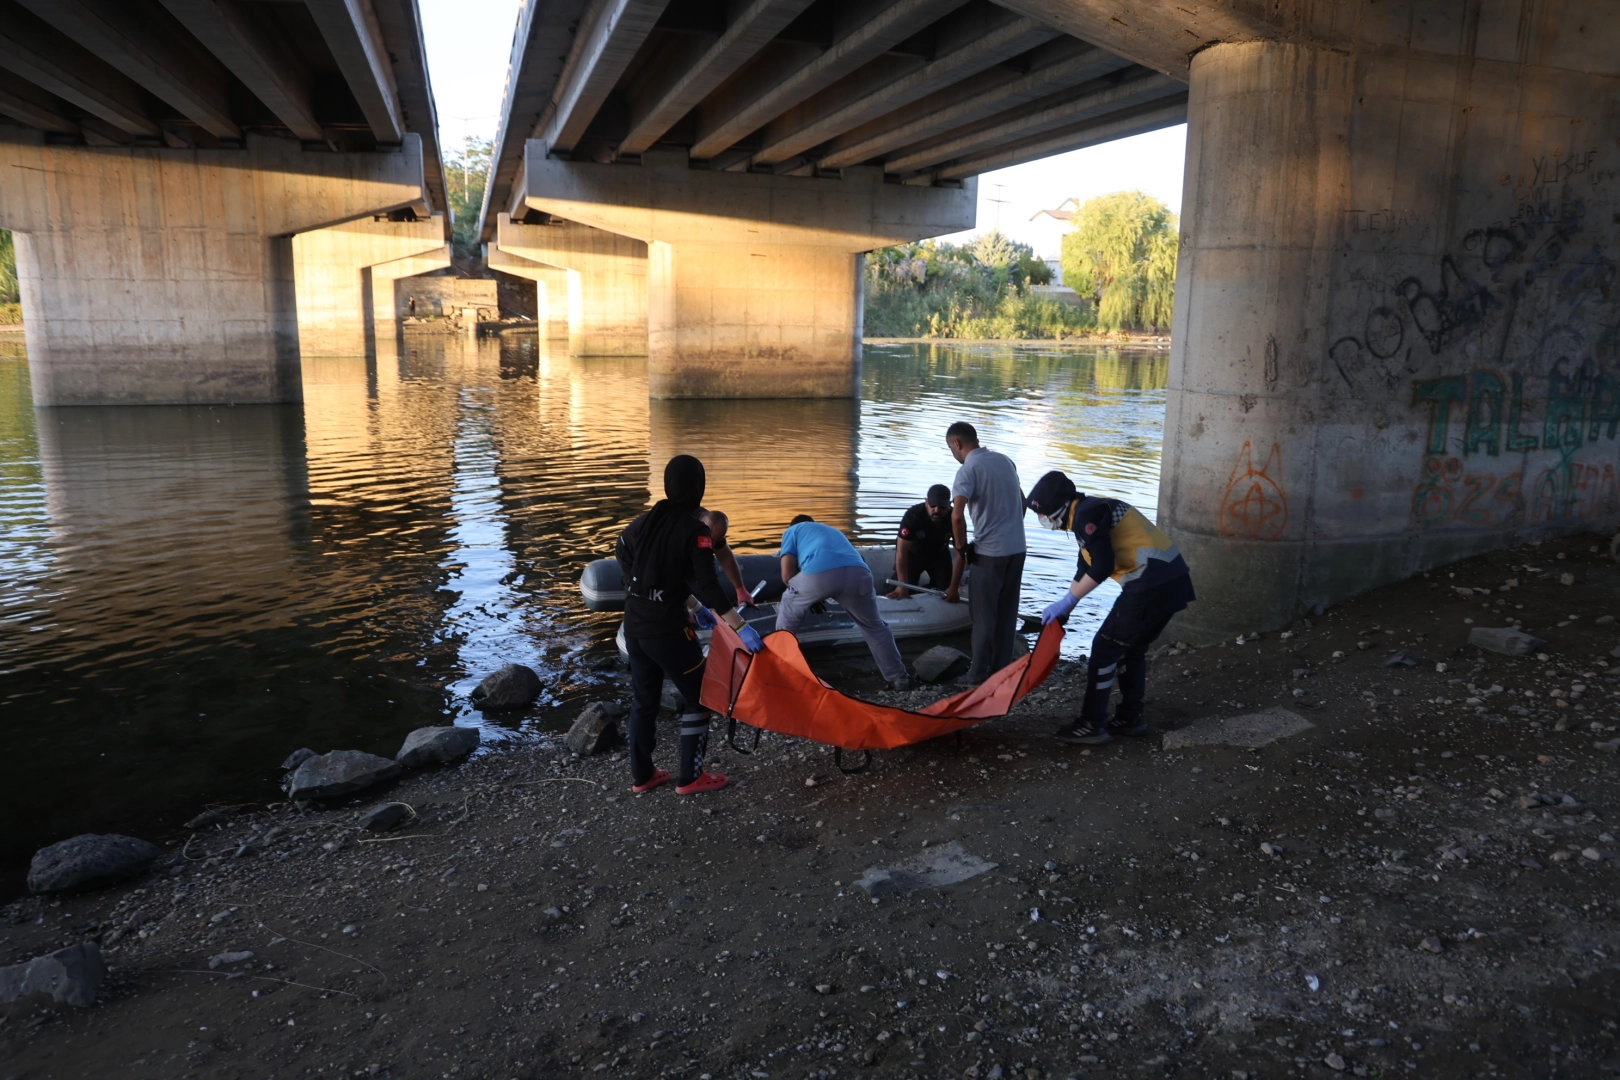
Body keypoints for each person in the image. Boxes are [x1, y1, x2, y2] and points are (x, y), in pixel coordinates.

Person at [616, 455, 764, 795]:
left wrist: (691, 605)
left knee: (644, 702)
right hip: (667, 631)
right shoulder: (696, 531)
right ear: (699, 487)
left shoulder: (647, 521)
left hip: (634, 625)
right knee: (699, 696)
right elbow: (709, 585)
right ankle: (690, 777)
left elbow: (627, 553)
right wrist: (741, 627)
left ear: (668, 485)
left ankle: (642, 776)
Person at [1026, 470, 1195, 745]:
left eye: (1042, 513)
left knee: (1105, 647)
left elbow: (1103, 566)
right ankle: (1130, 718)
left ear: (1059, 507)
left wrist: (1068, 602)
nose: (1042, 518)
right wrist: (1067, 606)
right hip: (1171, 581)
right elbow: (1086, 566)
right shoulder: (1086, 513)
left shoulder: (1087, 515)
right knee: (1131, 648)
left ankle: (1092, 723)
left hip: (1152, 584)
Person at [776, 514, 913, 691]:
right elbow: (853, 562)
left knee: (788, 607)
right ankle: (898, 677)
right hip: (860, 574)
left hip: (820, 576)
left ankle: (777, 669)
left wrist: (808, 595)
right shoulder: (833, 531)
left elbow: (787, 576)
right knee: (875, 628)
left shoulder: (792, 531)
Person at [944, 421, 1026, 685]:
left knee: (983, 617)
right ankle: (1002, 671)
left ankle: (977, 674)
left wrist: (961, 547)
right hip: (1017, 549)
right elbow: (1022, 502)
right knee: (1007, 614)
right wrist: (1010, 529)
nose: (953, 454)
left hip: (989, 553)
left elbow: (957, 515)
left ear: (957, 443)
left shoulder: (968, 470)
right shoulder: (1005, 461)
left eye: (951, 449)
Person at [885, 484, 954, 600]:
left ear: (949, 505)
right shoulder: (913, 515)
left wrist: (954, 587)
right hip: (914, 554)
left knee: (945, 589)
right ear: (926, 502)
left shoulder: (955, 518)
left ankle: (930, 587)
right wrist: (902, 585)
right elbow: (901, 551)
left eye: (942, 506)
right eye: (933, 505)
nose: (937, 510)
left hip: (940, 555)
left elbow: (960, 552)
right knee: (899, 590)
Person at [698, 508, 760, 610]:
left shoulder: (713, 528)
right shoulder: (684, 529)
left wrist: (741, 591)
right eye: (711, 540)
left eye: (717, 540)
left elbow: (726, 558)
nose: (713, 545)